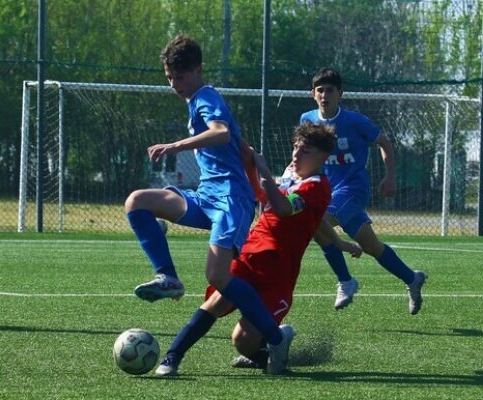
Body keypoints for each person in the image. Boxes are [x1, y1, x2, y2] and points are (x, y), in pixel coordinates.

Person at [125, 33, 295, 374]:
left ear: (198, 70)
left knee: (217, 275)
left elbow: (221, 133)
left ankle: (275, 340)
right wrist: (257, 162)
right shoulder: (198, 100)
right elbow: (236, 139)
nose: (175, 84)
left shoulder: (205, 96)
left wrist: (174, 146)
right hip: (207, 195)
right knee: (137, 202)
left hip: (230, 199)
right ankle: (168, 277)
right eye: (169, 78)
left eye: (180, 76)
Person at [154, 123, 362, 376]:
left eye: (305, 151)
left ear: (323, 156)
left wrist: (263, 173)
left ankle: (265, 352)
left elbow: (285, 209)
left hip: (278, 271)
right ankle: (171, 358)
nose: (296, 155)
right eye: (295, 148)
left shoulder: (318, 186)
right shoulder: (290, 174)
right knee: (217, 300)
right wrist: (248, 162)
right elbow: (268, 200)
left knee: (242, 340)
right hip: (252, 253)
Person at [300, 67, 426, 313]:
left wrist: (390, 177)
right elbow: (305, 152)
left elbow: (384, 143)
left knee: (318, 222)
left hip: (353, 189)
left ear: (340, 94)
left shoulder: (354, 121)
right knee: (371, 246)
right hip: (328, 191)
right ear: (312, 94)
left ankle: (346, 281)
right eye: (320, 90)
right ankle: (412, 279)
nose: (325, 95)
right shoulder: (307, 120)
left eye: (330, 90)